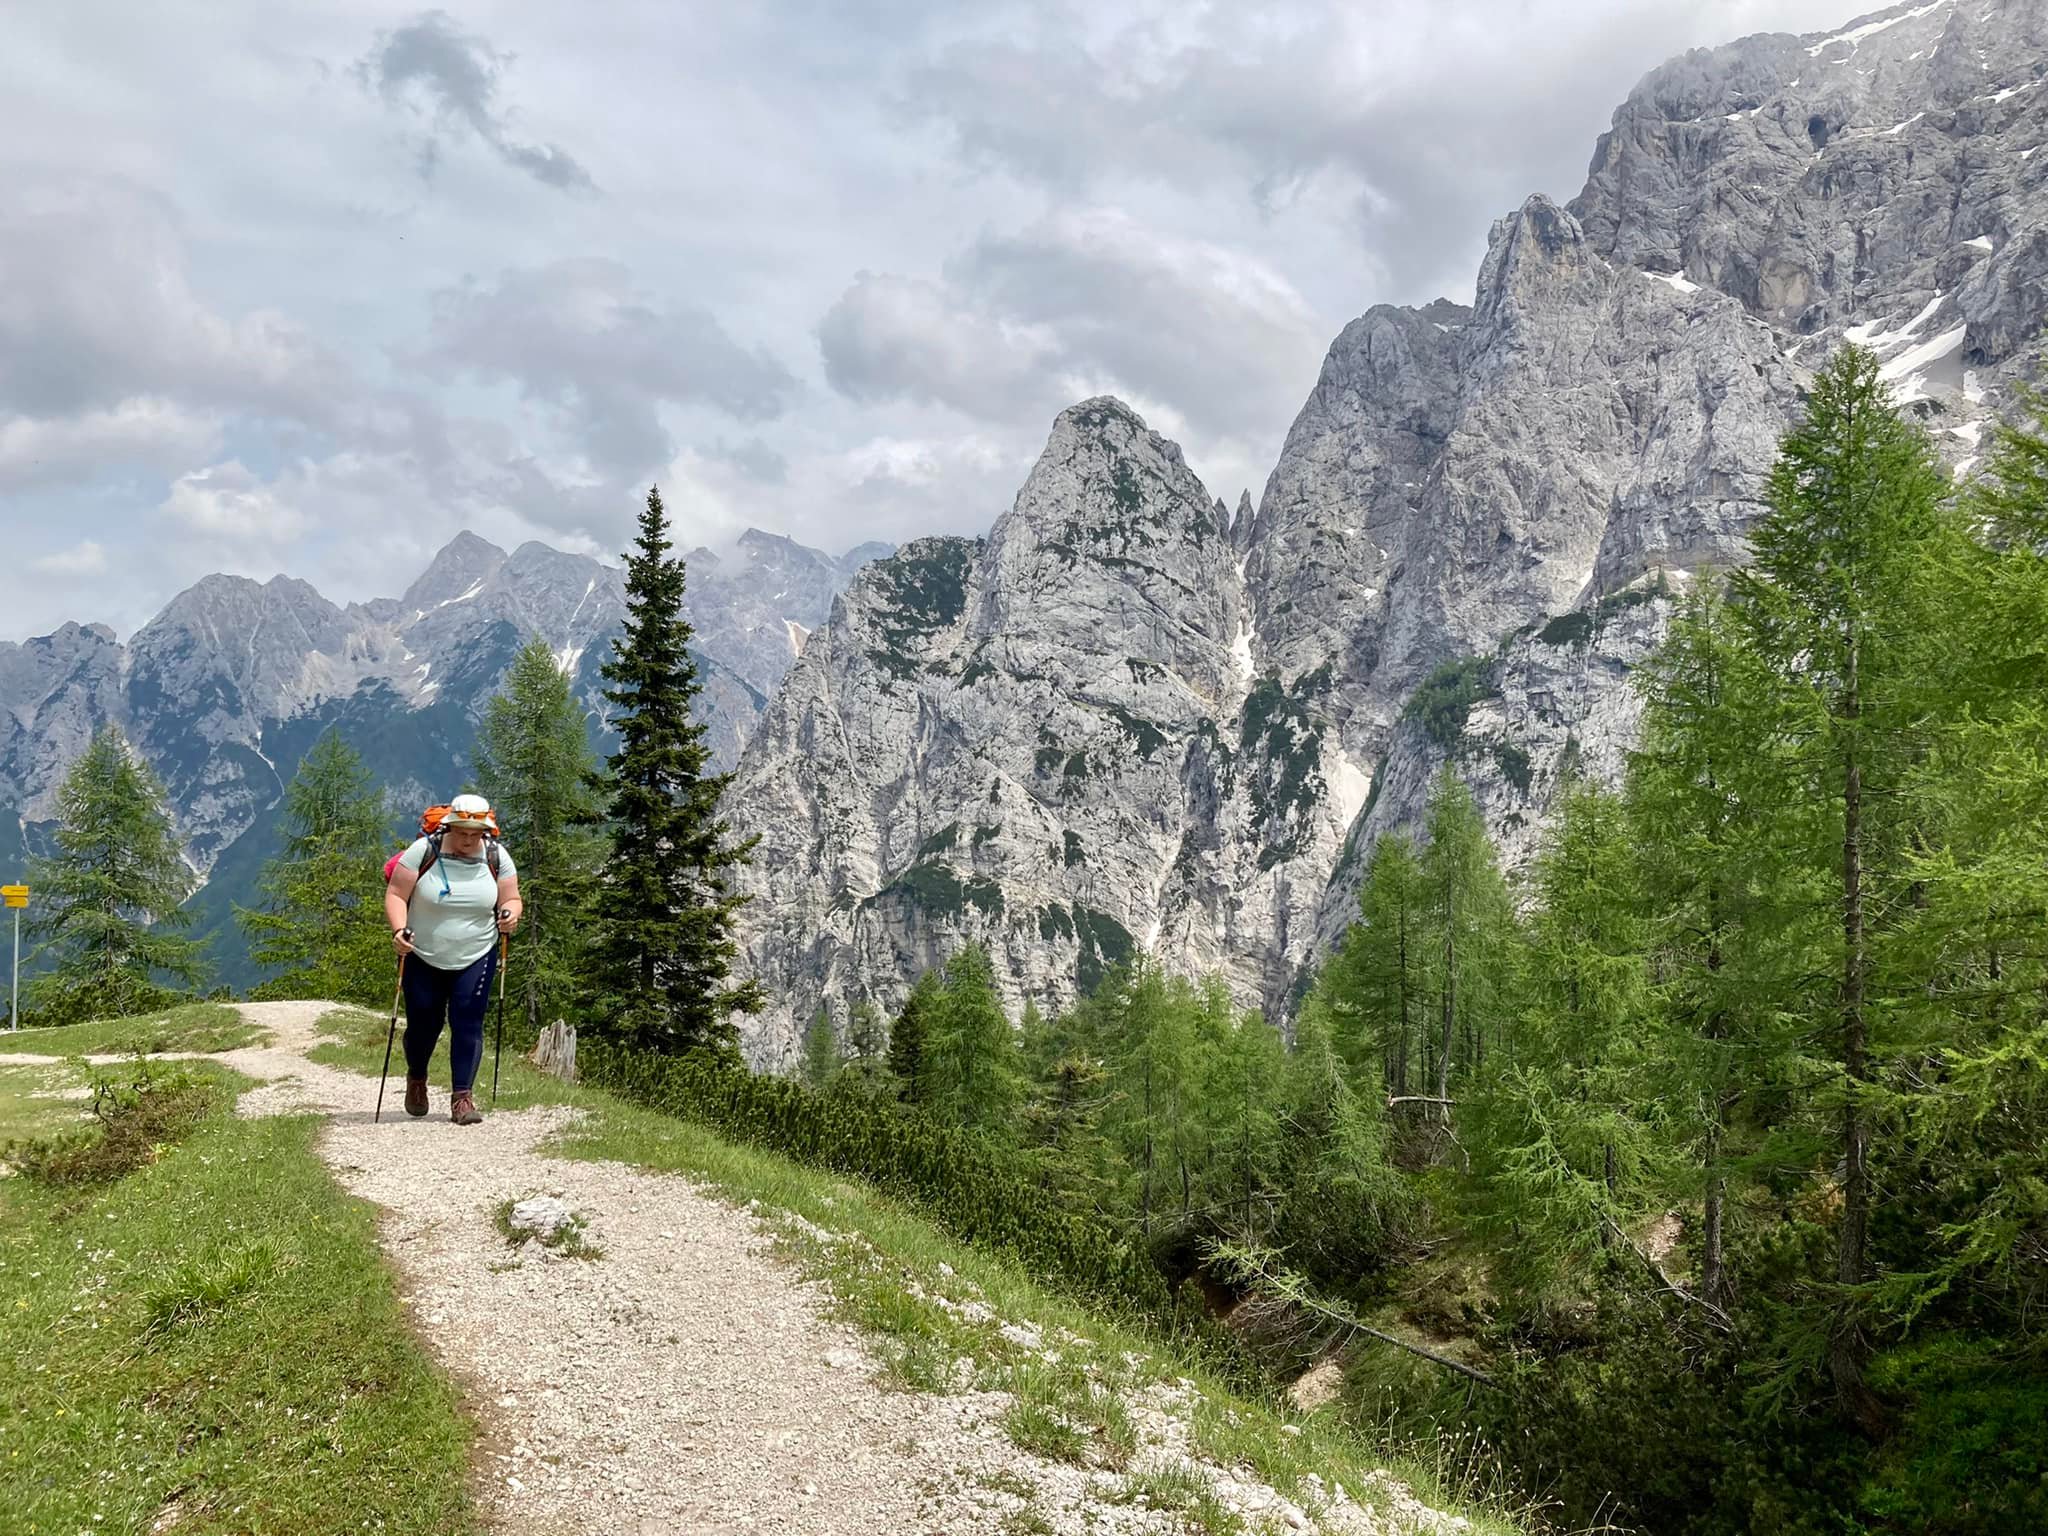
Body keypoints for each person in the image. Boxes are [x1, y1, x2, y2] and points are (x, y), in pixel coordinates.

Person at [384, 794, 521, 1124]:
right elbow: (396, 894)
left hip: (477, 953)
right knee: (423, 1026)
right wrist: (399, 931)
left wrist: (510, 915)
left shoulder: (496, 856)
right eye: (462, 833)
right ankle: (417, 1078)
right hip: (423, 954)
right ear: (449, 827)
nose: (469, 840)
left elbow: (512, 897)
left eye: (476, 834)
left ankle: (463, 1098)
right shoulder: (424, 852)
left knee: (468, 1022)